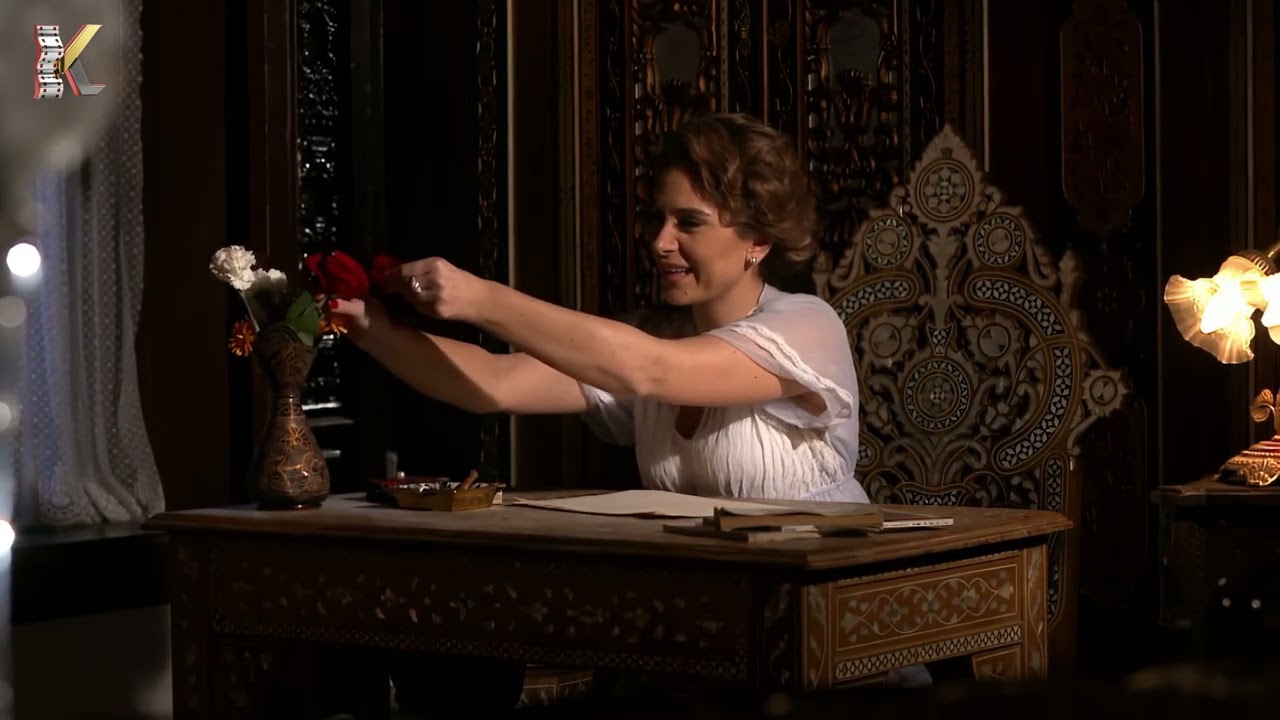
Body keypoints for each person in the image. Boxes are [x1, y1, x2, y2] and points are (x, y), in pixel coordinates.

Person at [330, 112, 869, 505]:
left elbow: (650, 370)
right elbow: (493, 382)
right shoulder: (650, 342)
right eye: (658, 219)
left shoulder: (808, 326)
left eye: (689, 223)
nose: (660, 242)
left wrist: (481, 297)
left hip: (825, 605)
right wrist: (367, 325)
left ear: (758, 239)